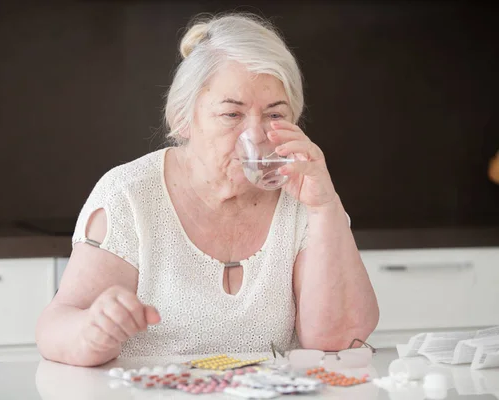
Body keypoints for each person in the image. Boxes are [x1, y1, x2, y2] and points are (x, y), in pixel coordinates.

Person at [35, 12, 379, 367]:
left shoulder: (302, 197)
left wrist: (325, 208)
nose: (257, 135)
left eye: (275, 115)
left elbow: (337, 342)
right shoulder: (129, 195)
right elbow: (55, 325)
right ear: (184, 118)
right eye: (232, 114)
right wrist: (91, 332)